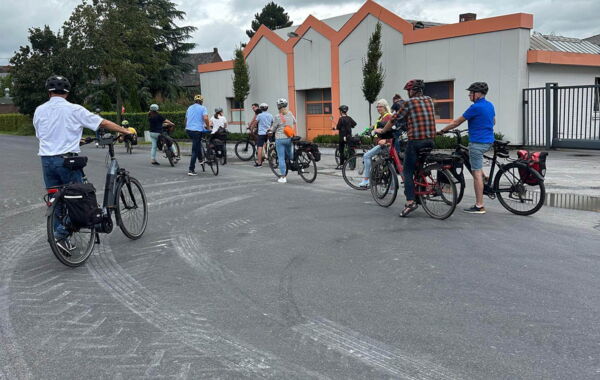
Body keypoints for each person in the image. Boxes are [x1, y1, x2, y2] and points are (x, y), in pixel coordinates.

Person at [34, 75, 131, 251]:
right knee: (80, 197)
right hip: (67, 161)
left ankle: (59, 238)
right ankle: (62, 233)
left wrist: (75, 140)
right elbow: (102, 122)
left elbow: (43, 135)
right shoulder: (74, 109)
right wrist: (125, 130)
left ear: (49, 91)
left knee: (55, 198)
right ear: (67, 92)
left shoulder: (39, 110)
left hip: (47, 160)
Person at [376, 79, 437, 217]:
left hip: (416, 141)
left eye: (409, 90)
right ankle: (421, 188)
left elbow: (393, 119)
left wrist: (383, 131)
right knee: (418, 167)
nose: (408, 93)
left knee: (407, 171)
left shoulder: (409, 103)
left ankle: (410, 203)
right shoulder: (429, 100)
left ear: (413, 90)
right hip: (431, 140)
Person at [438, 82, 495, 214]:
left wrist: (442, 131)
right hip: (488, 141)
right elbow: (493, 121)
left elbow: (456, 122)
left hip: (478, 143)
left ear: (478, 94)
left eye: (471, 92)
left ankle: (479, 205)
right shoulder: (490, 105)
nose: (469, 95)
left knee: (475, 174)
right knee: (466, 152)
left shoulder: (474, 107)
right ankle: (484, 176)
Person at [358, 99, 393, 187]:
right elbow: (379, 126)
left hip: (385, 144)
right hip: (380, 143)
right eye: (377, 107)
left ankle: (366, 180)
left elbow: (391, 130)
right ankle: (392, 188)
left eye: (380, 106)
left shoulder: (388, 116)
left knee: (367, 156)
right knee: (387, 166)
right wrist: (372, 128)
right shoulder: (381, 117)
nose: (378, 108)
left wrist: (387, 141)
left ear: (385, 107)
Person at [269, 98, 296, 183]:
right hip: (289, 138)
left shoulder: (277, 116)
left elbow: (273, 128)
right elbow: (295, 122)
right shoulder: (290, 113)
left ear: (278, 107)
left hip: (280, 139)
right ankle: (298, 167)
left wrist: (270, 131)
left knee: (281, 158)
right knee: (290, 155)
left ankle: (283, 177)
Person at [184, 94, 210, 176]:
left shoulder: (189, 107)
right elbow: (205, 118)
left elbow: (186, 119)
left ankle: (200, 159)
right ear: (201, 101)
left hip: (189, 130)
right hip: (197, 131)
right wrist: (208, 127)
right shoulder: (203, 108)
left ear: (195, 101)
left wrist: (186, 127)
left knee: (197, 144)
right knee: (194, 150)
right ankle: (191, 169)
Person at [333, 105, 357, 169]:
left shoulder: (341, 119)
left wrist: (334, 128)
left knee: (341, 151)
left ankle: (341, 165)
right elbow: (354, 124)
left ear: (341, 111)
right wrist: (350, 126)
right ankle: (351, 163)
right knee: (350, 148)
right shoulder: (349, 118)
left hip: (342, 137)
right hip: (349, 136)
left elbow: (338, 127)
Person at [254, 103, 273, 167]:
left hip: (261, 133)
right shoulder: (270, 115)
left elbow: (255, 123)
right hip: (269, 132)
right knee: (270, 145)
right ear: (267, 108)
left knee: (259, 147)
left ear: (261, 108)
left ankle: (259, 163)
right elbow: (272, 123)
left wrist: (252, 128)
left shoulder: (259, 115)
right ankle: (271, 159)